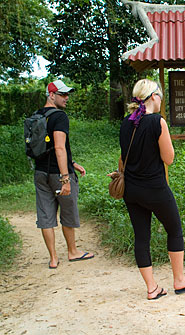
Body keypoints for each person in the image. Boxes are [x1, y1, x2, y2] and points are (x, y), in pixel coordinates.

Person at [115, 79, 185, 300]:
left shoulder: (126, 123)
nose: (162, 98)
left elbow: (122, 158)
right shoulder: (157, 122)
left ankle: (152, 288)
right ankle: (180, 280)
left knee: (141, 237)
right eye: (160, 94)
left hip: (131, 190)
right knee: (174, 230)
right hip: (155, 188)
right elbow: (169, 159)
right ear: (153, 96)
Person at [34, 80, 94, 269]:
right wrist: (65, 177)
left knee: (45, 215)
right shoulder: (59, 117)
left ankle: (53, 258)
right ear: (51, 95)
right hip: (58, 174)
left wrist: (72, 163)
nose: (66, 98)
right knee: (68, 212)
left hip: (40, 172)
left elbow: (46, 148)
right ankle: (72, 251)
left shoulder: (37, 116)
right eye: (62, 94)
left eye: (67, 94)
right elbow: (59, 148)